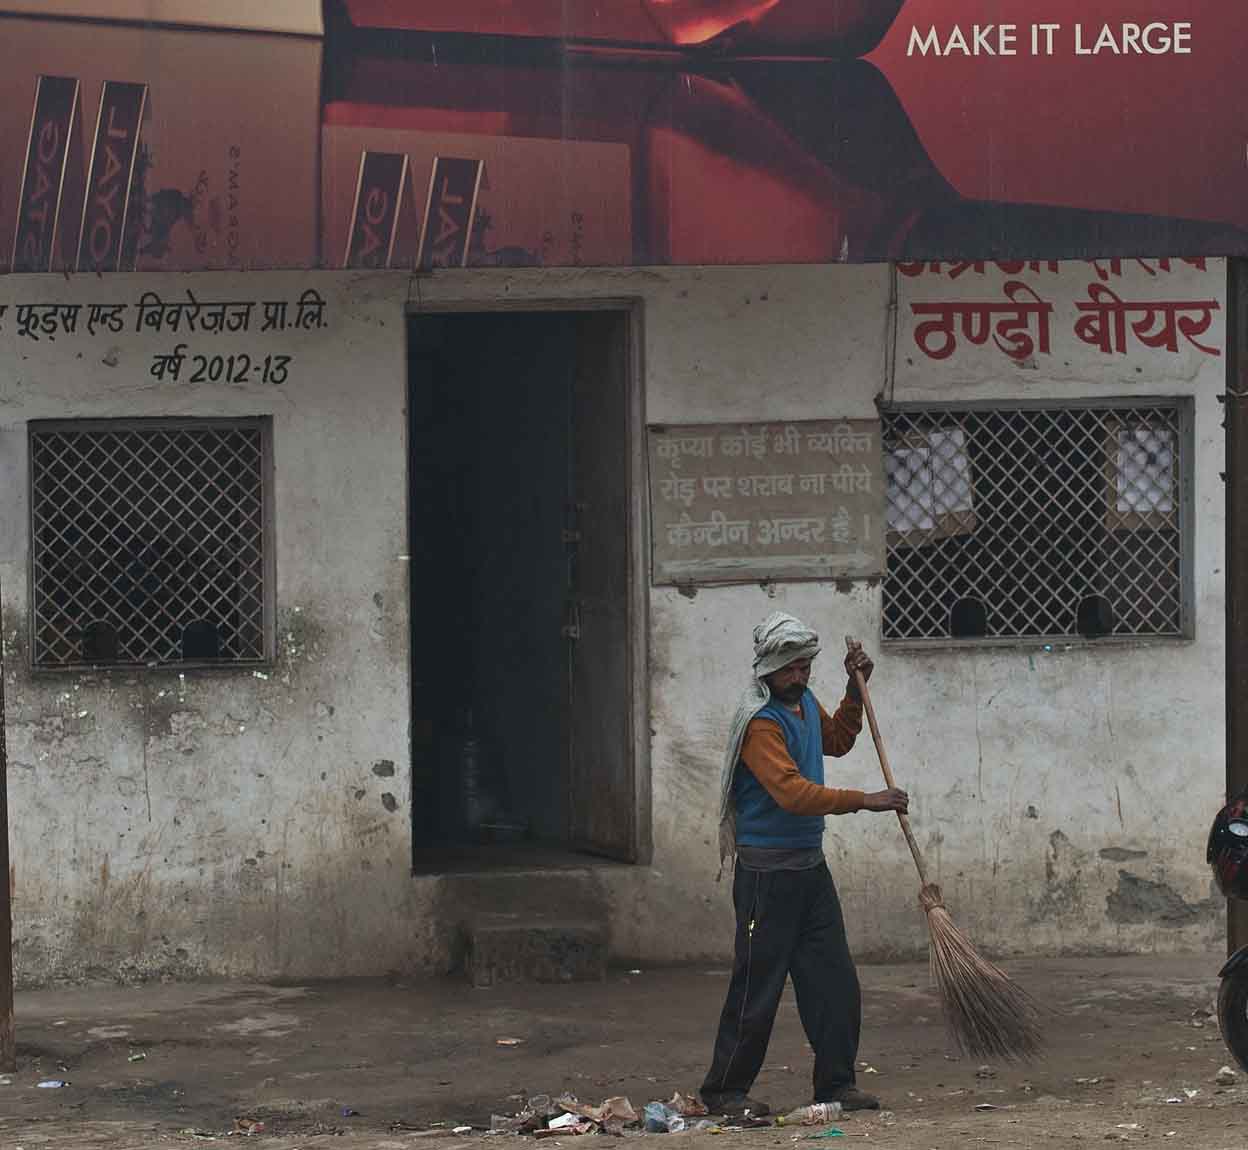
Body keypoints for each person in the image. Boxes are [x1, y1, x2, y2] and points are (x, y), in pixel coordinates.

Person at [700, 611, 908, 1117]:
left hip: (810, 870)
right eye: (788, 669)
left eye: (804, 667)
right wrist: (865, 801)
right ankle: (725, 1092)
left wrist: (854, 692)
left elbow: (836, 739)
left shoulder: (804, 704)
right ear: (767, 669)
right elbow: (793, 794)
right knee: (757, 988)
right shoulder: (761, 723)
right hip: (767, 878)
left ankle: (836, 1084)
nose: (797, 676)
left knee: (834, 983)